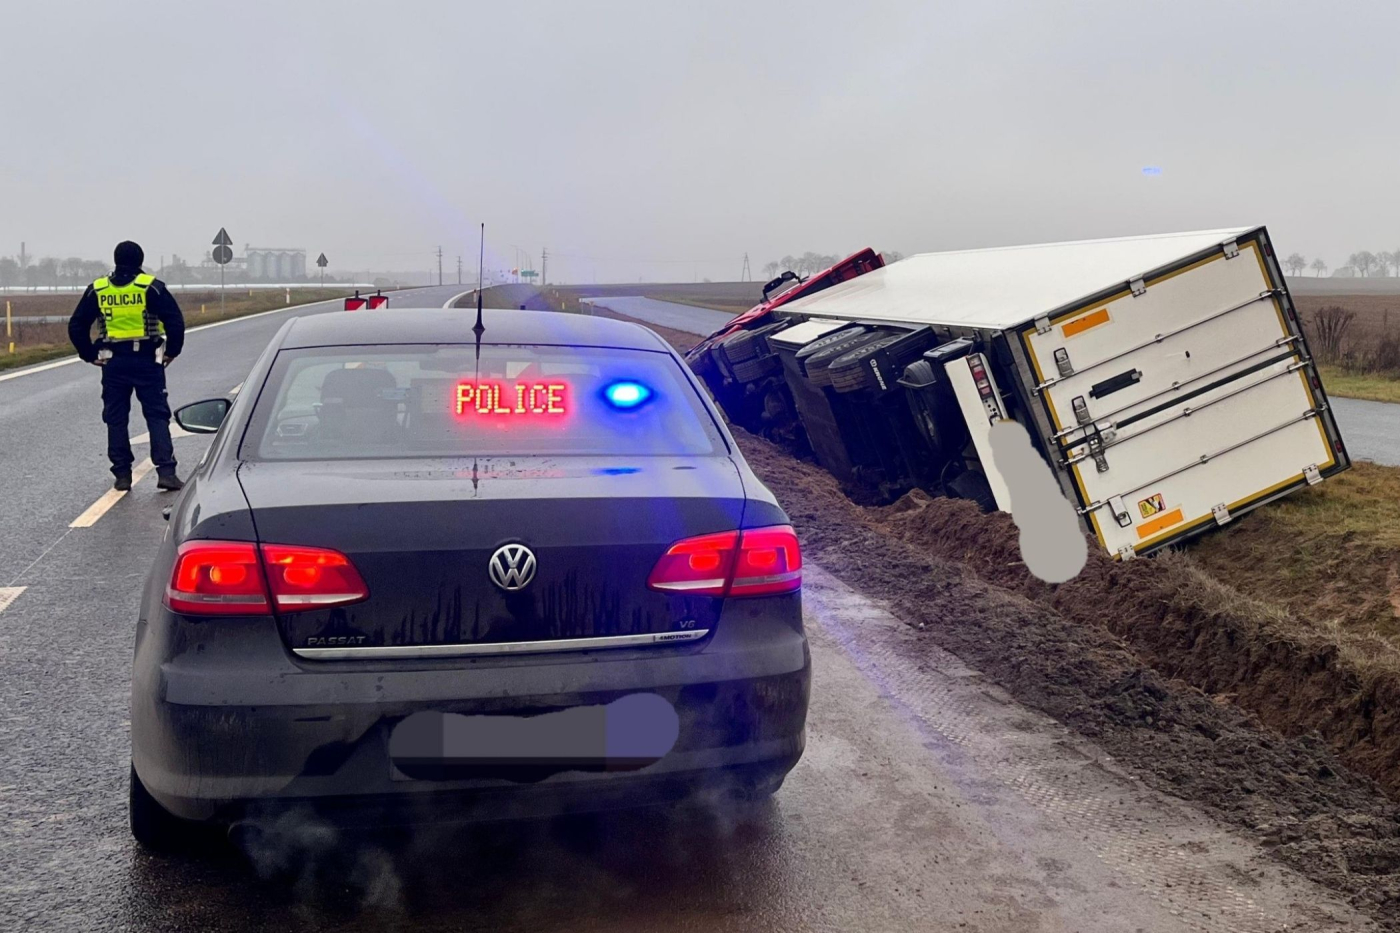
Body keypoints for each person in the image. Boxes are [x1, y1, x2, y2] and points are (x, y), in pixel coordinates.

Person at [68, 241, 186, 492]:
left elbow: (77, 325)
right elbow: (175, 321)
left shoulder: (98, 289)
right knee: (157, 415)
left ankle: (122, 475)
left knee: (116, 418)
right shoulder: (151, 287)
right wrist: (172, 351)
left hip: (113, 363)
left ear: (116, 260)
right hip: (147, 361)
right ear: (140, 260)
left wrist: (89, 354)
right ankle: (166, 472)